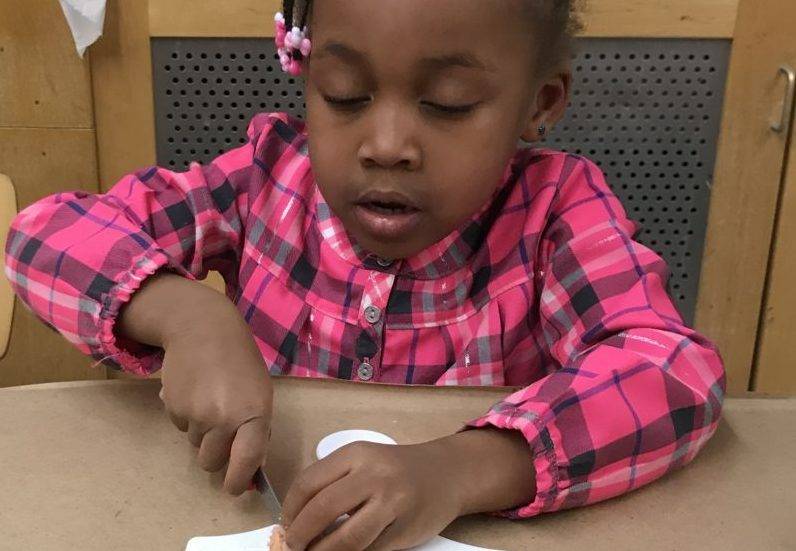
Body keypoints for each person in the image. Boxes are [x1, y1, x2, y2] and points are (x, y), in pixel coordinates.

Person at [4, 1, 725, 549]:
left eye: (447, 105)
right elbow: (41, 234)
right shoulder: (263, 179)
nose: (386, 146)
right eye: (345, 94)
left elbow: (674, 371)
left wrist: (462, 468)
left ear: (539, 105)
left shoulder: (556, 212)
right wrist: (182, 312)